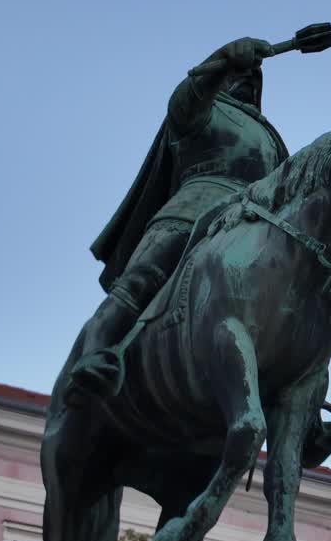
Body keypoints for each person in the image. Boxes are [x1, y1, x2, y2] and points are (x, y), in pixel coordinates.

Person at [67, 36, 289, 402]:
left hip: (252, 225)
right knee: (141, 278)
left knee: (290, 305)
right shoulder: (201, 110)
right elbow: (188, 96)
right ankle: (93, 354)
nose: (250, 77)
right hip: (193, 208)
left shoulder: (271, 136)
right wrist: (222, 58)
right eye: (242, 72)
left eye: (254, 75)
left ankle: (302, 411)